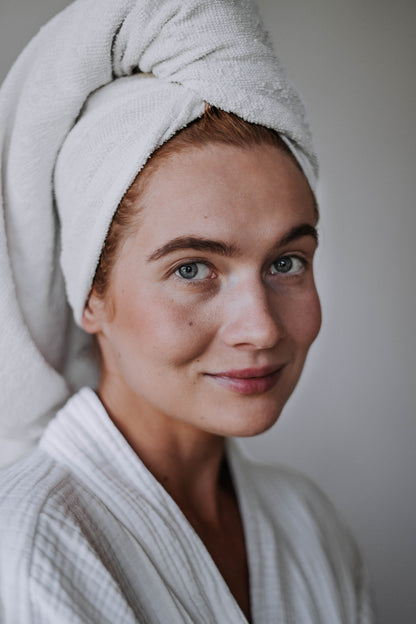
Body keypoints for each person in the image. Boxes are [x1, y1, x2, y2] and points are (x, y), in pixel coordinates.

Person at [0, 0, 374, 622]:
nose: (261, 328)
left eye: (286, 262)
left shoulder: (309, 524)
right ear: (91, 295)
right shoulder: (29, 551)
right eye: (192, 269)